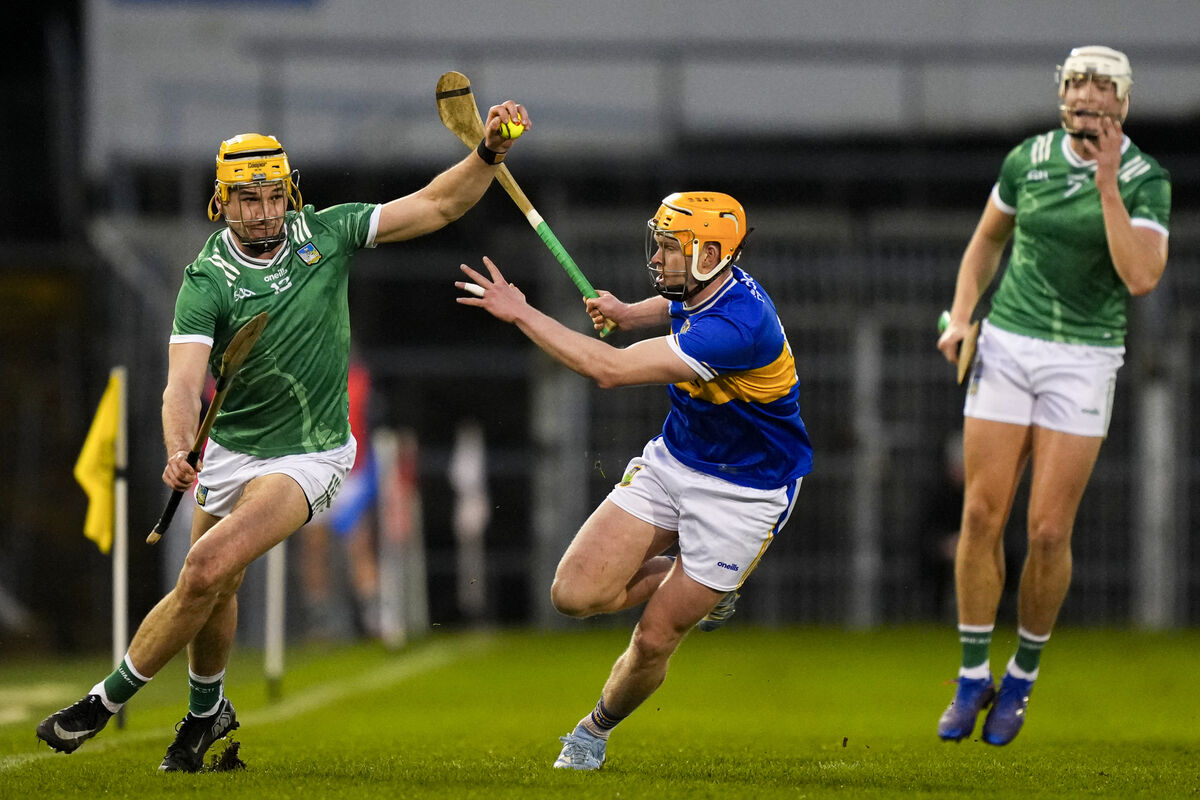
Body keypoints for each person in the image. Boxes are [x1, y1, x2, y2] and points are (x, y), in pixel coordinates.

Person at [36, 97, 530, 771]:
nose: (265, 211)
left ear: (290, 193)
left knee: (204, 568)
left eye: (274, 196)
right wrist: (179, 445)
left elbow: (438, 204)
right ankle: (206, 713)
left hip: (309, 452)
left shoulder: (326, 232)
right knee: (217, 588)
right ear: (222, 203)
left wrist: (488, 153)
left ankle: (100, 702)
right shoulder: (206, 280)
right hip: (229, 446)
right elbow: (181, 386)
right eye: (249, 199)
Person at [457, 191, 813, 770]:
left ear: (709, 255)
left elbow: (610, 369)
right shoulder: (709, 287)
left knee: (653, 640)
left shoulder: (738, 328)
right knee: (573, 596)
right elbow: (676, 308)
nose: (657, 257)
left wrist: (521, 312)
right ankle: (691, 574)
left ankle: (591, 733)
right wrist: (626, 313)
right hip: (676, 461)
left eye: (671, 248)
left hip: (747, 493)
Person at [935, 45, 1169, 746]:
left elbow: (1141, 277)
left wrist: (1107, 185)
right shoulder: (1027, 160)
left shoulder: (1146, 179)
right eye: (1076, 85)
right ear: (1062, 95)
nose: (1087, 97)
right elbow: (986, 241)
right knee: (981, 513)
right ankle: (972, 675)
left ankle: (1023, 675)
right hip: (1009, 344)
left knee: (1047, 531)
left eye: (1102, 88)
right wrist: (962, 315)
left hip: (1084, 357)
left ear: (1123, 102)